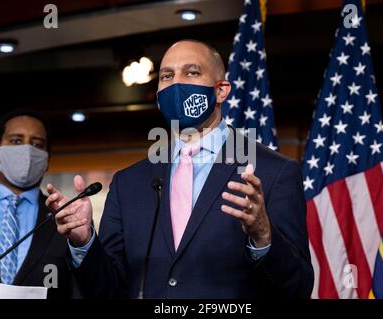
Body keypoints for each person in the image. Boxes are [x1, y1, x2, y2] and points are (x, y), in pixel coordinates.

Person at [46, 40, 314, 298]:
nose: (177, 83)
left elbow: (297, 288)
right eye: (167, 76)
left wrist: (263, 236)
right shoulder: (128, 183)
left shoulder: (274, 172)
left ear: (221, 90)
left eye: (192, 72)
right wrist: (85, 243)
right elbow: (108, 290)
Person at [0, 110, 79, 299]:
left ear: (46, 160)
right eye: (16, 141)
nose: (28, 151)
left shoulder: (66, 217)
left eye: (37, 144)